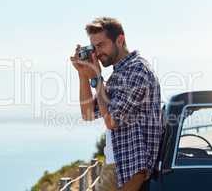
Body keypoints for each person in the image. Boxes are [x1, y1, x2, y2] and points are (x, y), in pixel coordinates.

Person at [70, 17, 163, 191]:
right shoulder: (119, 74)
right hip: (117, 165)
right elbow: (88, 113)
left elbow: (112, 120)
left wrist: (97, 78)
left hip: (129, 167)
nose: (97, 53)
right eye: (94, 47)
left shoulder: (137, 70)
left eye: (101, 45)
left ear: (119, 40)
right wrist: (82, 73)